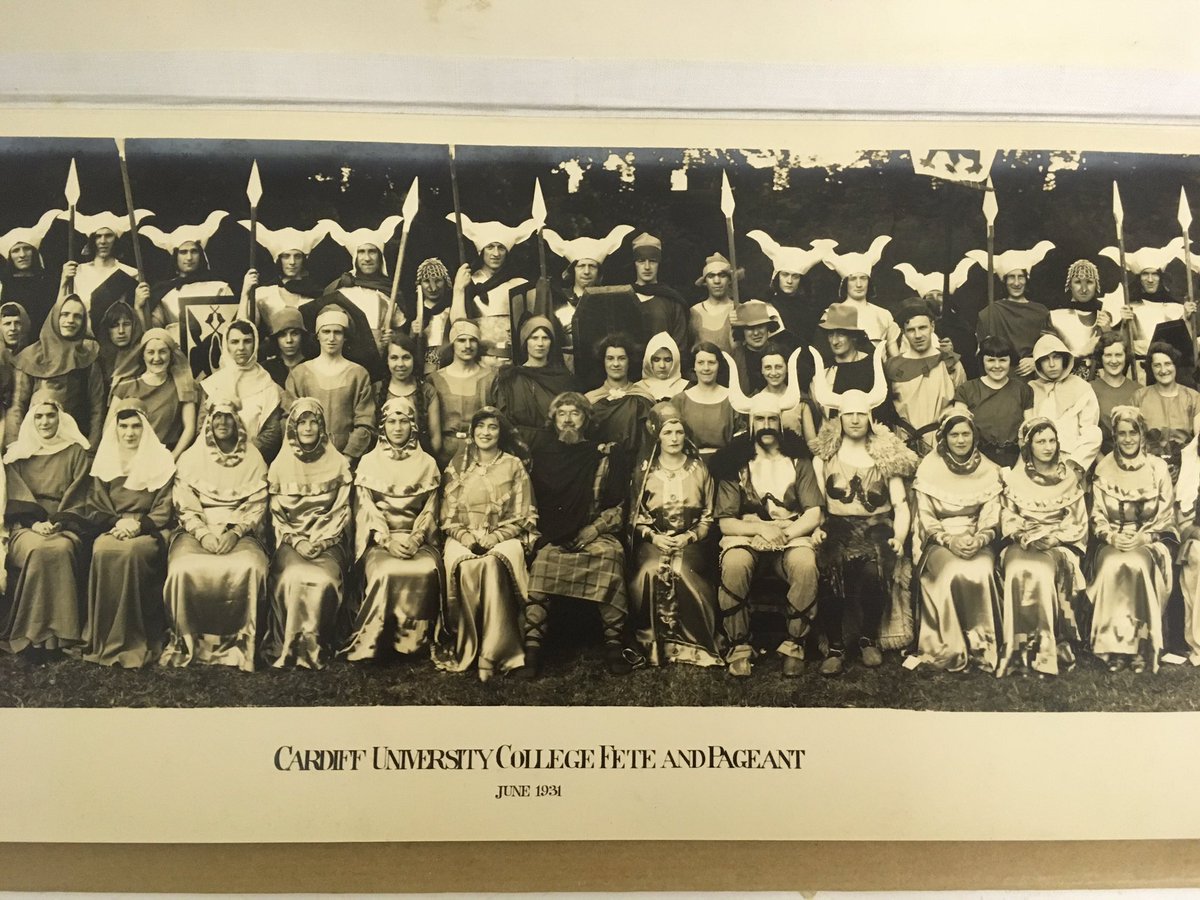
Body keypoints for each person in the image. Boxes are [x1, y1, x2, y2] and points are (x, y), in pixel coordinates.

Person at [810, 356, 917, 674]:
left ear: (870, 416)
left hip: (877, 525)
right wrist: (818, 528)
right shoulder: (825, 455)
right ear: (839, 418)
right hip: (838, 524)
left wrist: (898, 535)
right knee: (830, 571)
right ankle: (835, 646)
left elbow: (900, 505)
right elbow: (818, 502)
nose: (855, 419)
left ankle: (869, 638)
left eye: (861, 413)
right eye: (849, 414)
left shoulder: (885, 453)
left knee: (873, 572)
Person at [516, 392, 635, 678]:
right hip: (554, 535)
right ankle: (532, 652)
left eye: (575, 413)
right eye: (562, 414)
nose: (569, 420)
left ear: (586, 419)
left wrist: (594, 529)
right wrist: (557, 532)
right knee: (544, 561)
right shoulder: (542, 457)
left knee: (610, 557)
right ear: (554, 421)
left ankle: (614, 646)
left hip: (595, 533)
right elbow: (535, 503)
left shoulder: (604, 455)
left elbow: (619, 506)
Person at [711, 391, 823, 677]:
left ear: (781, 422)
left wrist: (780, 535)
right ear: (750, 423)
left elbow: (812, 513)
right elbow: (726, 522)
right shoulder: (734, 462)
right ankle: (739, 647)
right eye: (760, 418)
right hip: (748, 533)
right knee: (735, 564)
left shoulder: (799, 461)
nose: (766, 424)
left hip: (789, 532)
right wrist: (761, 529)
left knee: (804, 563)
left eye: (772, 418)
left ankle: (794, 644)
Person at [161, 397, 268, 671]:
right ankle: (190, 643)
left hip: (239, 531)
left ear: (237, 422)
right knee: (184, 567)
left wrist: (235, 532)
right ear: (208, 421)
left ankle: (241, 646)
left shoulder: (253, 457)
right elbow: (184, 501)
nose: (222, 423)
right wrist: (203, 533)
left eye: (228, 417)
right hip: (198, 529)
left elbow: (256, 504)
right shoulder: (192, 457)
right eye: (217, 417)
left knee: (250, 566)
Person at [70, 399, 175, 668]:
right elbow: (96, 504)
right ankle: (104, 636)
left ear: (146, 427)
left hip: (149, 529)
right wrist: (118, 523)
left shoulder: (161, 459)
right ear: (115, 428)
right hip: (114, 528)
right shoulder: (107, 459)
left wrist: (138, 525)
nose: (129, 432)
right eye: (124, 426)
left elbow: (166, 506)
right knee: (102, 550)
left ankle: (135, 636)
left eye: (136, 426)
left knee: (130, 554)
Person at [434, 407, 537, 681]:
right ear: (472, 431)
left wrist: (495, 537)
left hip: (504, 535)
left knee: (492, 564)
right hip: (463, 535)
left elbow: (524, 513)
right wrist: (466, 537)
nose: (486, 432)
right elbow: (446, 515)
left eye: (492, 427)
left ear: (500, 432)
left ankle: (495, 652)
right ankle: (467, 646)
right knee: (466, 567)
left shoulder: (513, 465)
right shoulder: (458, 466)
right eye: (480, 427)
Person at [342, 396, 442, 661]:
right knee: (385, 570)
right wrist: (387, 541)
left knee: (427, 570)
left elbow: (430, 509)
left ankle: (416, 642)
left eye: (404, 421)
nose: (398, 428)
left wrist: (416, 538)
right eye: (392, 422)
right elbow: (366, 509)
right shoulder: (369, 462)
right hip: (381, 540)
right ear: (383, 426)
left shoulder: (428, 464)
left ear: (413, 426)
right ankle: (381, 639)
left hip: (416, 540)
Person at [627, 402, 721, 667]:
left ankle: (694, 644)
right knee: (650, 570)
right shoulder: (644, 473)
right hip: (654, 541)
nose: (674, 438)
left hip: (691, 542)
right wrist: (654, 537)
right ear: (657, 435)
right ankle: (651, 644)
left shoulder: (699, 470)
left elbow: (708, 515)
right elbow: (636, 516)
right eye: (668, 433)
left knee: (681, 571)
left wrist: (688, 537)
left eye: (679, 432)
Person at [910, 409, 1002, 673]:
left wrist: (980, 538)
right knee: (952, 572)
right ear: (944, 437)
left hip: (976, 538)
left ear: (974, 436)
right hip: (940, 542)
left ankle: (982, 648)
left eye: (966, 434)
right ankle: (950, 647)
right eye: (954, 434)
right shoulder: (929, 467)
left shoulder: (988, 469)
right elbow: (926, 518)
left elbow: (991, 515)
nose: (961, 440)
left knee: (981, 570)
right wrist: (949, 541)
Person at [264, 398, 352, 669]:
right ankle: (290, 646)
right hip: (292, 542)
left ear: (322, 425)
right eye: (302, 422)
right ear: (293, 427)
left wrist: (324, 541)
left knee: (323, 579)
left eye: (314, 421)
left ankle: (320, 645)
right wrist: (298, 541)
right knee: (293, 577)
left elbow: (342, 511)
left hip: (329, 542)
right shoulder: (280, 466)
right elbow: (277, 516)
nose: (308, 427)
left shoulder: (337, 464)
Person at [1088, 406, 1177, 673]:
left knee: (1136, 564)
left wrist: (1143, 538)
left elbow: (1166, 515)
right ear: (1114, 437)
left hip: (1148, 540)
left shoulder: (1158, 468)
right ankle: (1114, 645)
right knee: (1114, 564)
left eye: (1133, 433)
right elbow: (1097, 515)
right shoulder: (1103, 468)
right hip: (1112, 540)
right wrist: (1112, 536)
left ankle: (1140, 645)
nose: (1128, 439)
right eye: (1121, 434)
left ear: (1142, 435)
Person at [0, 391, 90, 655]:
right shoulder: (17, 455)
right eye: (38, 416)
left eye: (51, 415)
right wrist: (34, 522)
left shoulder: (76, 452)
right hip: (26, 526)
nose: (45, 422)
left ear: (60, 418)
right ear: (31, 420)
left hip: (63, 523)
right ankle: (33, 633)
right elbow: (15, 495)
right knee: (38, 549)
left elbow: (81, 494)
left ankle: (61, 636)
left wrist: (58, 521)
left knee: (59, 549)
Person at [998, 418, 1089, 676]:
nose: (1047, 447)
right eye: (1040, 441)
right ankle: (1019, 650)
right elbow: (1008, 516)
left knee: (1042, 572)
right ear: (1029, 446)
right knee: (1018, 569)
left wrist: (1056, 538)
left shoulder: (1069, 478)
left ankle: (1046, 650)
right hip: (1024, 542)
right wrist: (1025, 536)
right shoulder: (1015, 478)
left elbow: (1078, 521)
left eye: (1051, 440)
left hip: (1059, 544)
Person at [5, 294, 105, 449]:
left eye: (77, 316)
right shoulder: (30, 356)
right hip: (34, 444)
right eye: (65, 314)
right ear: (55, 317)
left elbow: (97, 408)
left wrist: (90, 449)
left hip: (74, 445)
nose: (71, 320)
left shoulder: (89, 355)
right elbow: (17, 406)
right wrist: (14, 448)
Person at [542, 224, 637, 382]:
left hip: (599, 369)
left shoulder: (609, 299)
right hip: (567, 367)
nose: (586, 272)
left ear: (599, 272)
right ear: (573, 270)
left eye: (592, 266)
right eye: (581, 266)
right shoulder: (558, 299)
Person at [447, 211, 538, 367]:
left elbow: (533, 327)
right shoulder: (469, 283)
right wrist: (458, 289)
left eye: (501, 248)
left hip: (513, 361)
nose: (496, 253)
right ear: (482, 251)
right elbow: (458, 324)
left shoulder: (520, 285)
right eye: (490, 247)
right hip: (478, 362)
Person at [285, 306, 375, 462]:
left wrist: (348, 457)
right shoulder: (300, 374)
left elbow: (365, 422)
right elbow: (287, 419)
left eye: (337, 332)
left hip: (346, 461)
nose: (331, 338)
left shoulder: (358, 374)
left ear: (345, 337)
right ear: (317, 336)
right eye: (326, 332)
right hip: (306, 459)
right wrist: (304, 453)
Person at [1099, 237, 1193, 379]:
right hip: (1139, 372)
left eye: (1154, 274)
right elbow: (1121, 346)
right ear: (1139, 278)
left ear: (1160, 277)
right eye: (1145, 274)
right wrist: (1124, 324)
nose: (1150, 279)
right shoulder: (1130, 308)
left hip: (1167, 371)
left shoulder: (1176, 308)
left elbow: (1185, 347)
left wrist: (1186, 318)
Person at [885, 297, 964, 457]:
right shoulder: (893, 366)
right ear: (904, 332)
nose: (918, 335)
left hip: (941, 443)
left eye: (923, 328)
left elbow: (962, 405)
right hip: (902, 446)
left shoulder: (950, 363)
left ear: (932, 327)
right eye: (911, 330)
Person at [199, 319, 284, 463]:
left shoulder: (267, 385)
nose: (241, 347)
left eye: (247, 341)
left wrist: (244, 457)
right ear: (226, 345)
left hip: (254, 460)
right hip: (216, 460)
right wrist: (222, 456)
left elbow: (272, 433)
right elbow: (201, 427)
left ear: (255, 344)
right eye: (234, 342)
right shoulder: (212, 384)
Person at [489, 315, 576, 453]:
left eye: (545, 338)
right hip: (520, 451)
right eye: (534, 338)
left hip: (558, 451)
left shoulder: (563, 378)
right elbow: (503, 421)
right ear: (525, 342)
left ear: (551, 342)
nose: (540, 344)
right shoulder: (510, 378)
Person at [968, 242, 1055, 378]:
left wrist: (1036, 360)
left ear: (1026, 280)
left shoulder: (1041, 312)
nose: (1016, 283)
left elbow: (1050, 348)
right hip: (1001, 379)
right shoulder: (990, 313)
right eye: (1011, 277)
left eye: (1020, 276)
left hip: (1036, 378)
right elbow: (982, 356)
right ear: (1004, 280)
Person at [111, 327, 198, 459]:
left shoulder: (182, 385)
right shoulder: (127, 385)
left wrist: (172, 457)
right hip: (130, 455)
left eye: (162, 351)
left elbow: (189, 428)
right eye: (150, 352)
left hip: (166, 455)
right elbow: (109, 428)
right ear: (143, 355)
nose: (156, 358)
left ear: (171, 354)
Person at [323, 216, 405, 352]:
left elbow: (400, 333)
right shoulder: (341, 290)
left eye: (372, 251)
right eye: (361, 252)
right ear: (355, 257)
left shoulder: (391, 291)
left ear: (380, 257)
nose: (367, 258)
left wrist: (393, 337)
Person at [746, 229, 837, 349]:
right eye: (785, 275)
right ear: (777, 277)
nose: (789, 281)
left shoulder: (811, 308)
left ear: (801, 280)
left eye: (795, 276)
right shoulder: (766, 307)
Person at [62, 209, 152, 329]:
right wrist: (64, 280)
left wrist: (139, 306)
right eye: (98, 236)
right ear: (92, 240)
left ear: (116, 239)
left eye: (108, 236)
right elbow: (61, 310)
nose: (103, 241)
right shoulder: (78, 272)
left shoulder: (130, 273)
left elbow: (137, 323)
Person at [141, 212, 233, 328]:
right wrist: (139, 307)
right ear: (175, 257)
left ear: (201, 255)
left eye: (194, 251)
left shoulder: (220, 288)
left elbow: (231, 326)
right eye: (183, 252)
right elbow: (153, 331)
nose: (189, 258)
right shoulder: (164, 292)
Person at [238, 220, 330, 337]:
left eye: (297, 256)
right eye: (286, 256)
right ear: (279, 260)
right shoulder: (264, 294)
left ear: (304, 260)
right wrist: (245, 293)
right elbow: (244, 330)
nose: (292, 262)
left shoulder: (314, 293)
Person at [953, 335, 1033, 468]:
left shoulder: (1023, 390)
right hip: (976, 461)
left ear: (1010, 360)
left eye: (1002, 360)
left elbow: (1029, 432)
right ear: (982, 361)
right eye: (991, 360)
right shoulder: (966, 390)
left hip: (1016, 461)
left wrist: (1020, 467)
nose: (997, 366)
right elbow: (960, 430)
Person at [893, 258, 980, 378]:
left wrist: (954, 348)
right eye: (930, 296)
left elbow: (971, 354)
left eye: (940, 295)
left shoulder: (961, 325)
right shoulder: (913, 325)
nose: (935, 300)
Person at [1028, 334, 1102, 471]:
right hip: (1039, 462)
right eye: (1045, 359)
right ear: (1038, 364)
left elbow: (1088, 431)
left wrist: (1072, 465)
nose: (1052, 364)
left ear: (1065, 358)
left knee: (1095, 432)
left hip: (1072, 460)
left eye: (1056, 357)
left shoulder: (1081, 387)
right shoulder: (1030, 389)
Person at [430, 320, 496, 469]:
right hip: (444, 456)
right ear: (453, 343)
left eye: (472, 340)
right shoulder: (434, 380)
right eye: (461, 340)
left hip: (481, 453)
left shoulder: (491, 378)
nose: (467, 346)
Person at [821, 236, 899, 357]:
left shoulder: (883, 314)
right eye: (853, 279)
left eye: (863, 278)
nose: (859, 284)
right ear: (845, 283)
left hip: (880, 373)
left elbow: (894, 356)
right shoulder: (832, 313)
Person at [1134, 340, 1200, 483]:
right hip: (1148, 470)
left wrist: (1184, 467)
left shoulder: (1193, 397)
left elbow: (1198, 440)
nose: (1163, 370)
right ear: (1151, 368)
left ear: (1175, 365)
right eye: (1157, 365)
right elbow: (1134, 439)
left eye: (1168, 363)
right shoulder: (1139, 397)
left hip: (1187, 470)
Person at [584, 332, 653, 457]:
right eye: (610, 358)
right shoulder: (590, 400)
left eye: (622, 358)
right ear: (603, 361)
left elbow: (648, 442)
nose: (616, 364)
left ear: (629, 361)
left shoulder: (642, 398)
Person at [1048, 259, 1118, 377]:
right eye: (1078, 282)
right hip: (1067, 383)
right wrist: (1081, 352)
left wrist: (1108, 333)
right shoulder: (1055, 317)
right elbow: (1048, 359)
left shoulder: (1106, 316)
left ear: (1097, 285)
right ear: (1069, 284)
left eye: (1089, 282)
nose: (1084, 289)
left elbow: (1118, 358)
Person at [674, 341, 741, 462]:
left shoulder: (733, 398)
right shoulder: (679, 401)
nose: (706, 368)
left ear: (719, 365)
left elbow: (740, 440)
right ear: (694, 366)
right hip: (688, 465)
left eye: (711, 362)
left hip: (726, 464)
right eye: (700, 363)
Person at [380, 331, 442, 459]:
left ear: (414, 359)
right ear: (387, 360)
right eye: (394, 358)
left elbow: (435, 439)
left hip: (418, 462)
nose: (400, 364)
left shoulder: (427, 392)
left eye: (406, 357)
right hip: (383, 463)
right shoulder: (377, 390)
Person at [0, 209, 62, 333]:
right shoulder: (4, 284)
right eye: (16, 250)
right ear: (10, 256)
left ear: (34, 252)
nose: (22, 254)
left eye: (26, 249)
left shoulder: (48, 281)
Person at [628, 233, 690, 356]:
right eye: (641, 261)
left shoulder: (672, 301)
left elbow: (679, 346)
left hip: (663, 369)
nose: (647, 267)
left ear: (659, 263)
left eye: (652, 261)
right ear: (634, 263)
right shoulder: (625, 298)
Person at [1090, 330, 1140, 455]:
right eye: (1108, 355)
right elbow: (1088, 435)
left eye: (1118, 355)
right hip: (1101, 461)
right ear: (1101, 357)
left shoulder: (1139, 390)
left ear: (1126, 356)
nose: (1113, 360)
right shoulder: (1090, 390)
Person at [689, 253, 742, 354]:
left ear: (730, 279)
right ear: (705, 281)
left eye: (722, 275)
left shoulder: (739, 309)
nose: (717, 281)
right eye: (711, 276)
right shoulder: (694, 312)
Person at [729, 299, 783, 395]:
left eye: (760, 326)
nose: (756, 333)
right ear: (742, 332)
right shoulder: (737, 358)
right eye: (750, 328)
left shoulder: (781, 353)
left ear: (767, 328)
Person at [412, 257, 454, 374]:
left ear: (446, 282)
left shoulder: (453, 307)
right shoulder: (412, 310)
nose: (433, 287)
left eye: (437, 280)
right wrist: (412, 332)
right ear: (419, 285)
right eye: (426, 281)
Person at [94, 298, 144, 390]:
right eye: (115, 325)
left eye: (126, 324)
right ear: (107, 330)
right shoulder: (99, 360)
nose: (121, 331)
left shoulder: (143, 356)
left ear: (134, 326)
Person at [631, 332, 689, 402]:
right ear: (648, 361)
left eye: (667, 360)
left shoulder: (687, 388)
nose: (662, 366)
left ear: (675, 360)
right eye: (656, 360)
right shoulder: (636, 389)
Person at [260, 307, 310, 388]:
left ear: (303, 336)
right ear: (276, 339)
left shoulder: (313, 366)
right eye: (282, 335)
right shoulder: (265, 369)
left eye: (294, 333)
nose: (289, 340)